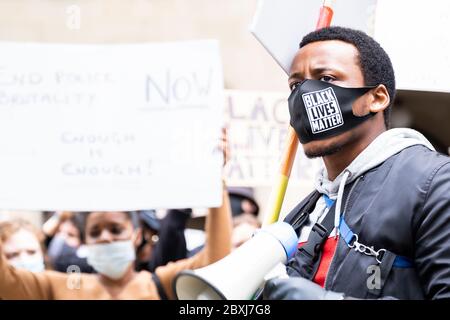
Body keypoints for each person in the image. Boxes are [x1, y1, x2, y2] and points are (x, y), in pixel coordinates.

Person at [263, 26, 450, 300]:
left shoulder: (435, 183)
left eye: (326, 78)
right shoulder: (307, 211)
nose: (304, 95)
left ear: (377, 98)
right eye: (295, 85)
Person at [0, 183, 232, 299]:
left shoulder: (161, 284)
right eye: (95, 232)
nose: (106, 237)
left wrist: (215, 182)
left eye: (116, 229)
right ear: (84, 242)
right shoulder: (57, 286)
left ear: (136, 235)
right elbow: (5, 280)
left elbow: (217, 261)